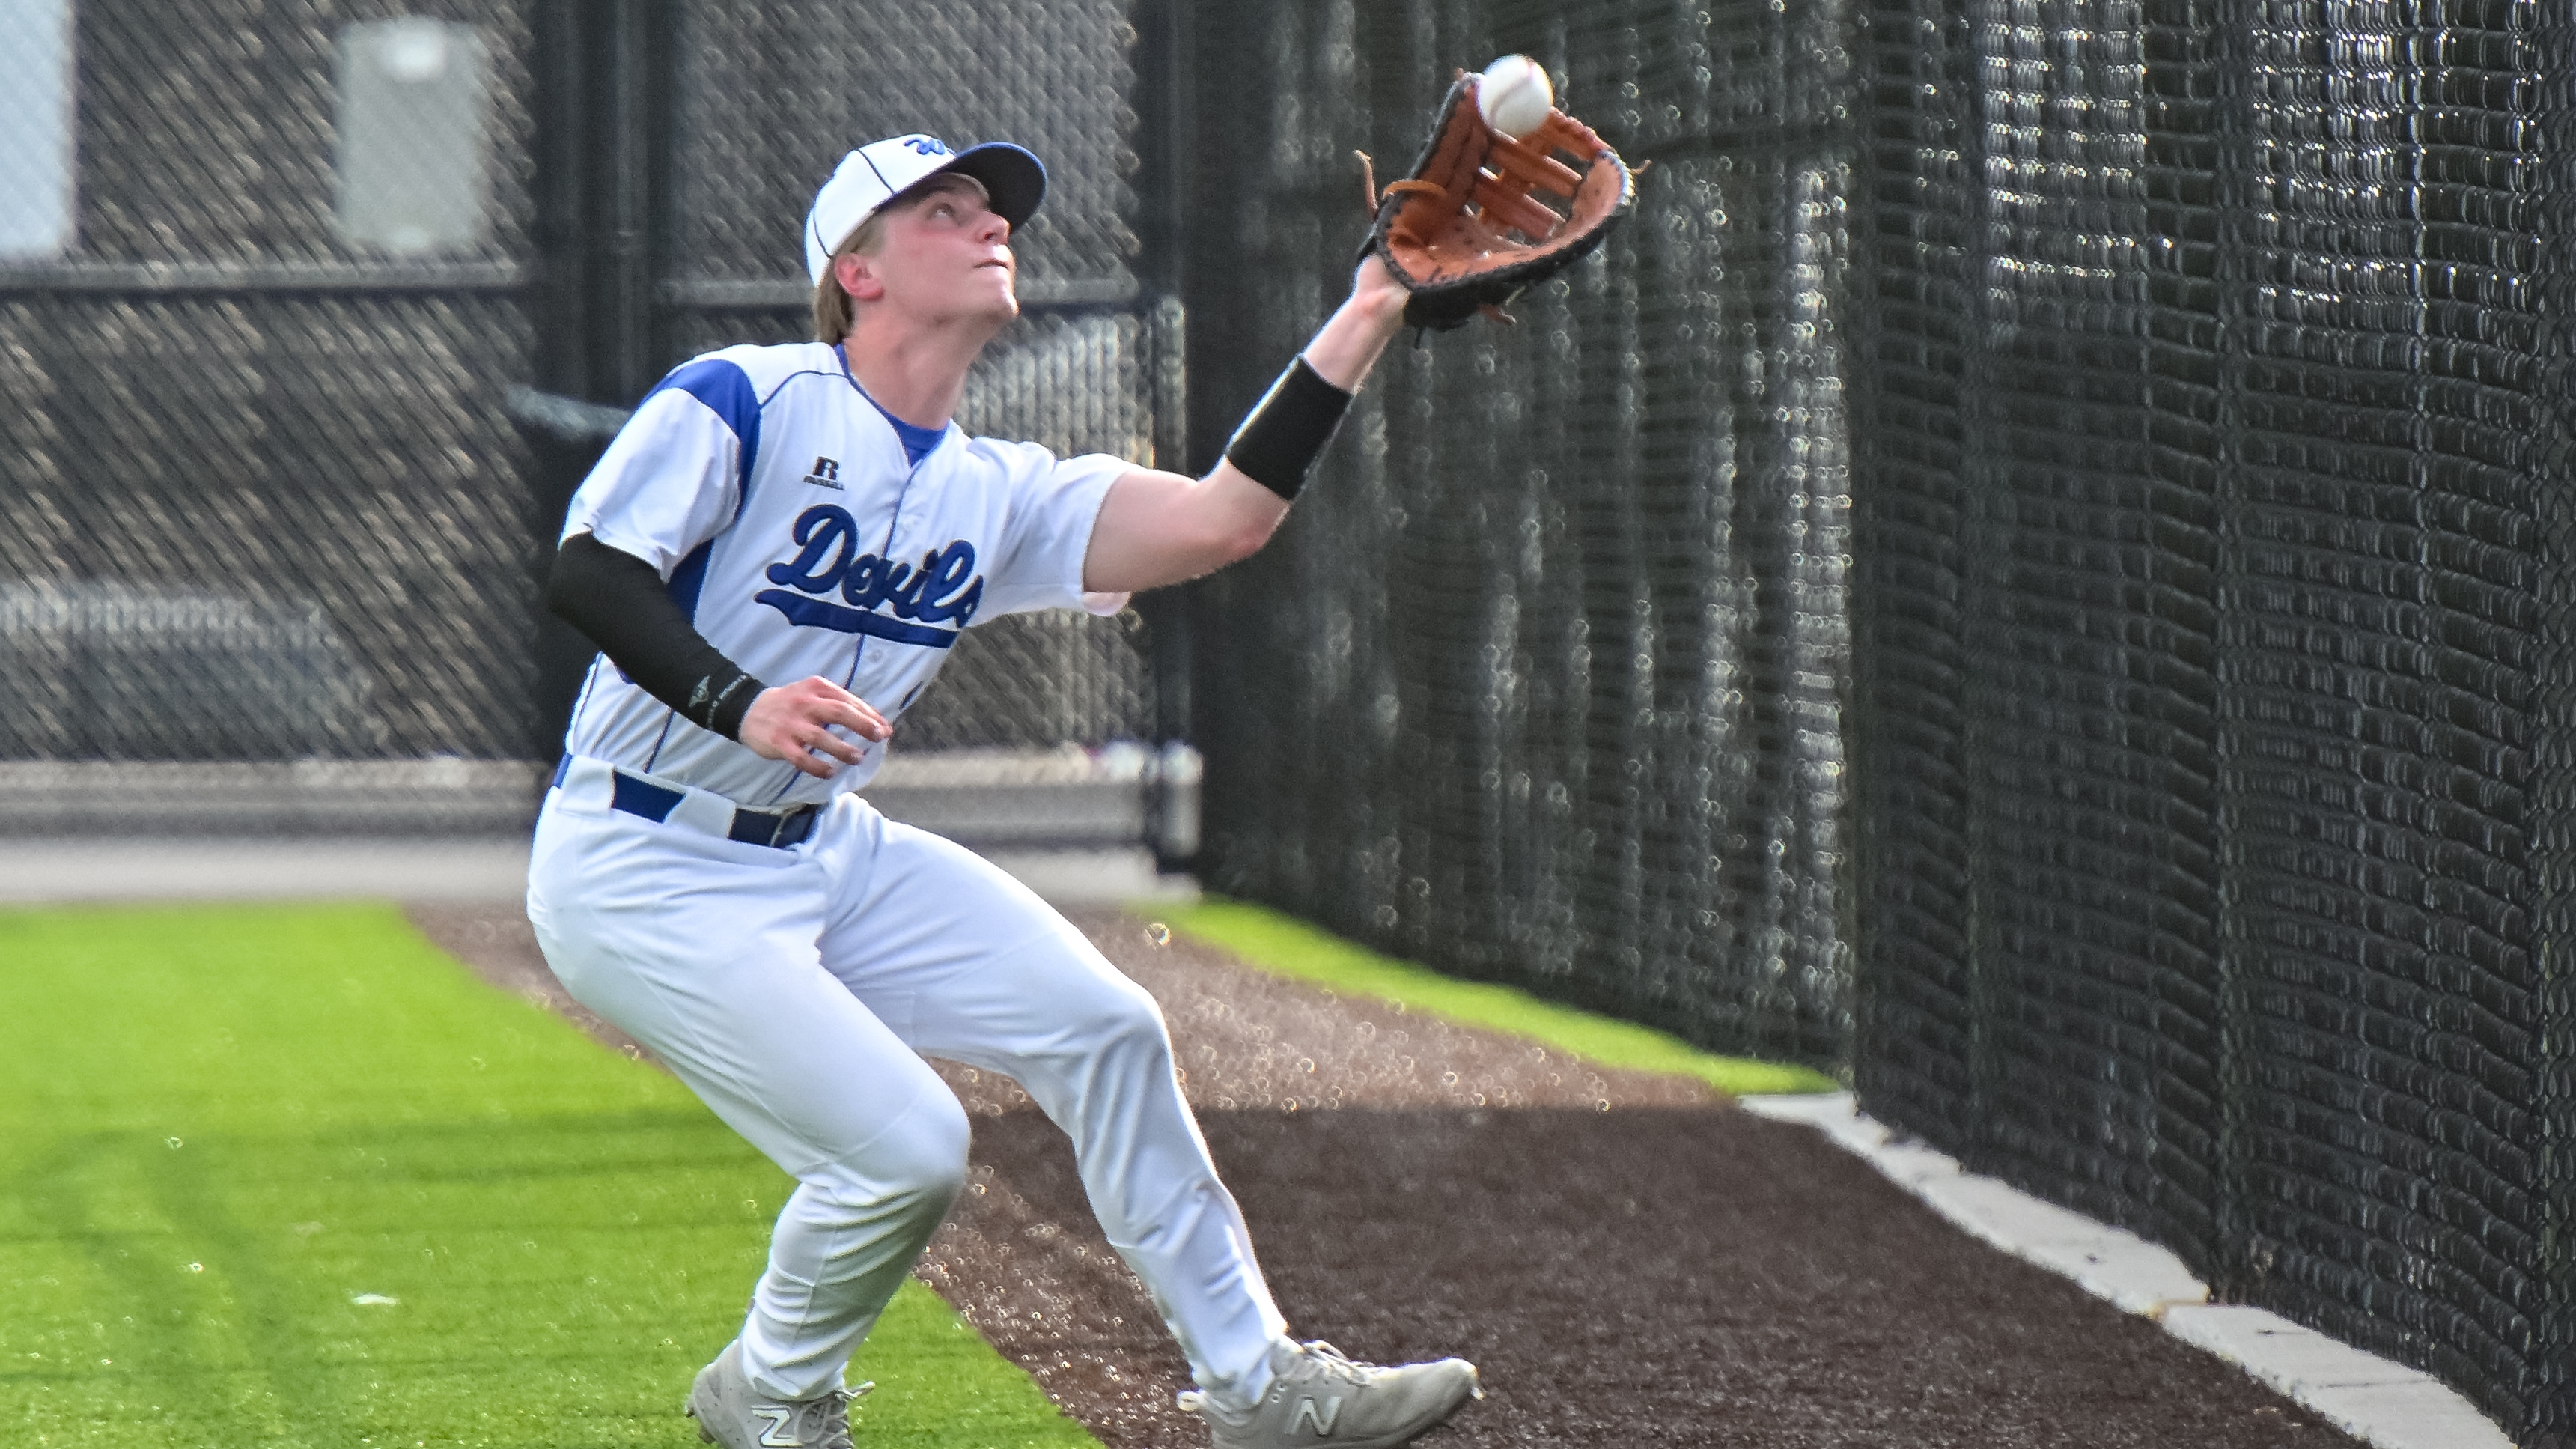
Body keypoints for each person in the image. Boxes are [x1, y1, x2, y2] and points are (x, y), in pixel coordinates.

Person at [525, 132, 1480, 1449]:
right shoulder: (747, 397)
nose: (990, 226)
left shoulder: (994, 488)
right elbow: (590, 569)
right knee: (904, 1154)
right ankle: (773, 1397)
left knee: (1107, 1024)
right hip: (644, 865)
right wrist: (742, 701)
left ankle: (1258, 1391)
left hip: (822, 849)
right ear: (854, 270)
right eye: (943, 208)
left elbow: (1221, 520)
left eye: (994, 209)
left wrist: (1368, 309)